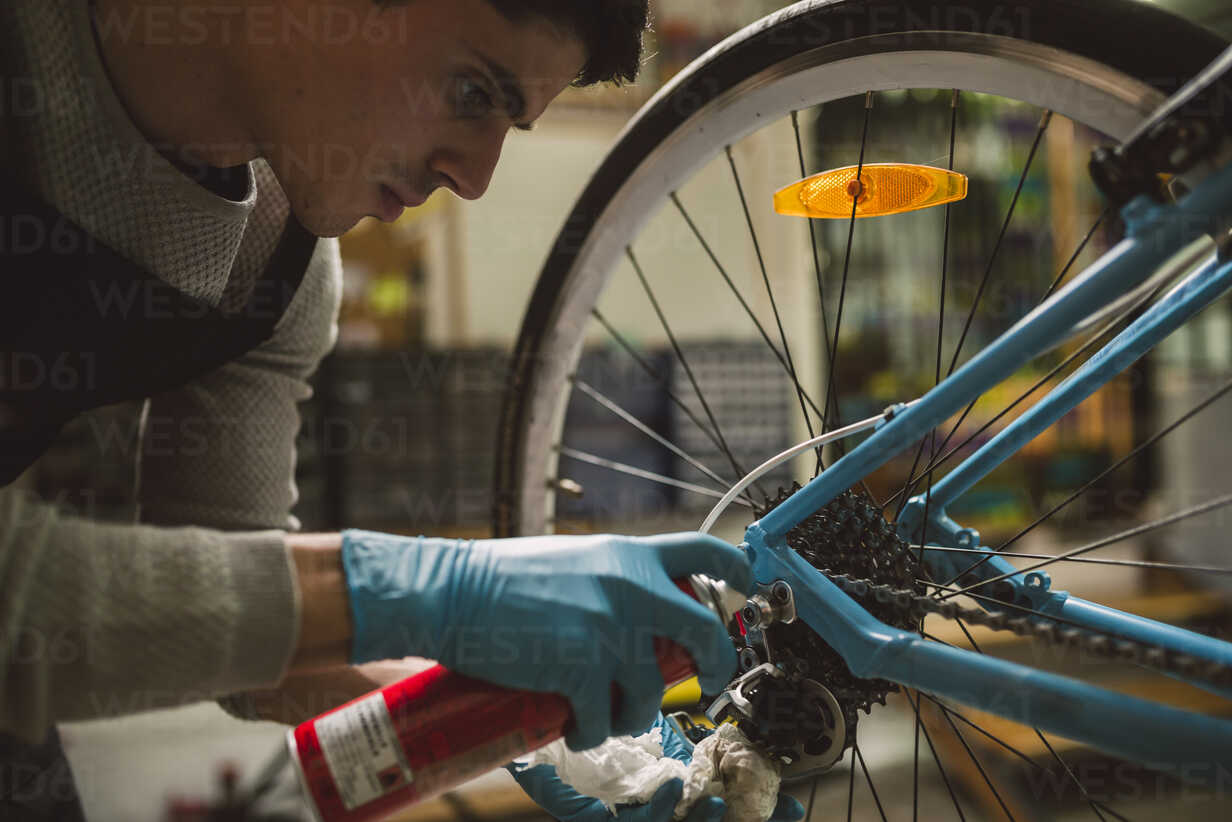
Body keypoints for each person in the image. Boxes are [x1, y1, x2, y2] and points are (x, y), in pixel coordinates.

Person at [0, 1, 804, 819]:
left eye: (510, 125)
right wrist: (423, 586)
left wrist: (531, 727)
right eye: (470, 90)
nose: (476, 178)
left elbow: (237, 635)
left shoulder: (276, 263)